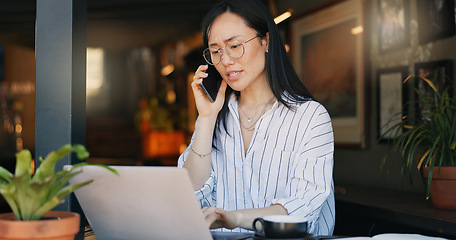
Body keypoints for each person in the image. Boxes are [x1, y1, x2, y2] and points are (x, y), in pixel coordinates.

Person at [177, 0, 335, 235]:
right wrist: (207, 118)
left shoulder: (310, 118)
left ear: (266, 41)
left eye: (234, 45)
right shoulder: (214, 120)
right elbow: (189, 196)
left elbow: (302, 209)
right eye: (216, 51)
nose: (226, 60)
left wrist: (235, 218)